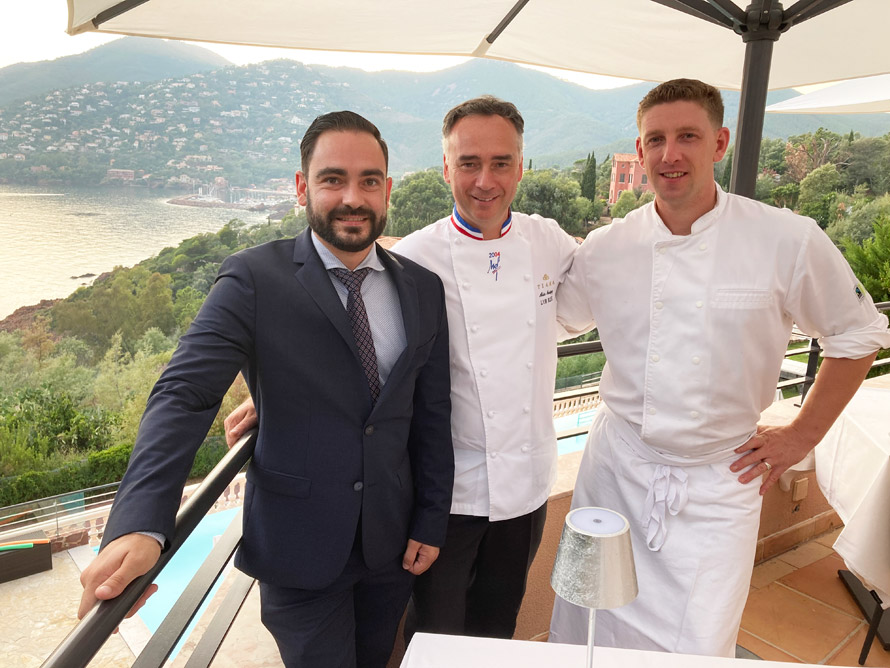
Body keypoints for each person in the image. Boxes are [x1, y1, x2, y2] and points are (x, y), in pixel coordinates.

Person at [78, 111, 455, 668]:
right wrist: (139, 523)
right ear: (302, 186)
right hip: (299, 552)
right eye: (333, 179)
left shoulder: (423, 288)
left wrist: (429, 517)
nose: (353, 197)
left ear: (387, 189)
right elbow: (184, 393)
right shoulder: (253, 279)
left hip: (391, 546)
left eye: (369, 180)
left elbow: (431, 413)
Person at [549, 79, 890, 657]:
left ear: (720, 142)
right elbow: (551, 318)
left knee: (700, 638)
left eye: (687, 136)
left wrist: (802, 434)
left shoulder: (786, 239)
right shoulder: (608, 247)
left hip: (718, 481)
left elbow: (859, 335)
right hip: (615, 473)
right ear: (640, 149)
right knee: (588, 627)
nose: (669, 154)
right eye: (655, 139)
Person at [226, 96, 585, 640]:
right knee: (433, 630)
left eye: (501, 163)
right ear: (446, 169)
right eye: (468, 163)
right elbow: (349, 326)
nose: (485, 180)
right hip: (443, 490)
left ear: (520, 165)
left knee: (499, 621)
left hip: (526, 483)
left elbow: (603, 298)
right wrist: (276, 390)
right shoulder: (416, 257)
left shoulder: (549, 241)